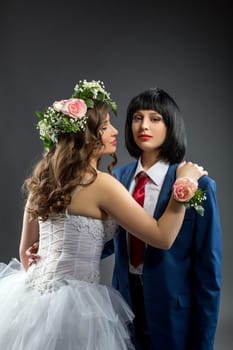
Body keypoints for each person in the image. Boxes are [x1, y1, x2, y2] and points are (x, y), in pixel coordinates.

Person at [2, 79, 206, 350]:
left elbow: (27, 253)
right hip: (78, 307)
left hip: (31, 299)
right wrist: (186, 184)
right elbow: (162, 236)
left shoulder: (42, 180)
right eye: (105, 126)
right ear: (86, 137)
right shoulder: (103, 184)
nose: (114, 132)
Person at [103, 87, 222, 350]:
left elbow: (208, 270)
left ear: (170, 125)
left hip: (174, 310)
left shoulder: (198, 185)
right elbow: (109, 239)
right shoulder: (117, 180)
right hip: (124, 303)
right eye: (137, 117)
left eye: (155, 118)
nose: (143, 125)